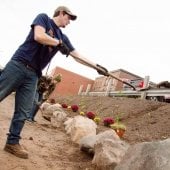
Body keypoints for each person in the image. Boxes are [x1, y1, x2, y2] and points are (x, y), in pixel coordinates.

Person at [0, 6, 107, 159]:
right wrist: (57, 43)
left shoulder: (63, 38)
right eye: (69, 18)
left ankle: (12, 143)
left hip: (33, 75)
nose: (69, 22)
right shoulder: (44, 19)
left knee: (23, 111)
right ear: (61, 13)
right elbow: (38, 36)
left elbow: (77, 56)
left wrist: (96, 67)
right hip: (18, 65)